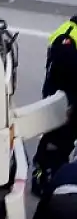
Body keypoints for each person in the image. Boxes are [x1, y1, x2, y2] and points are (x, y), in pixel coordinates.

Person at [31, 15, 77, 196]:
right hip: (64, 98)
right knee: (57, 141)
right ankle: (44, 178)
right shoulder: (68, 36)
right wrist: (70, 103)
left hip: (68, 97)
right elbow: (66, 74)